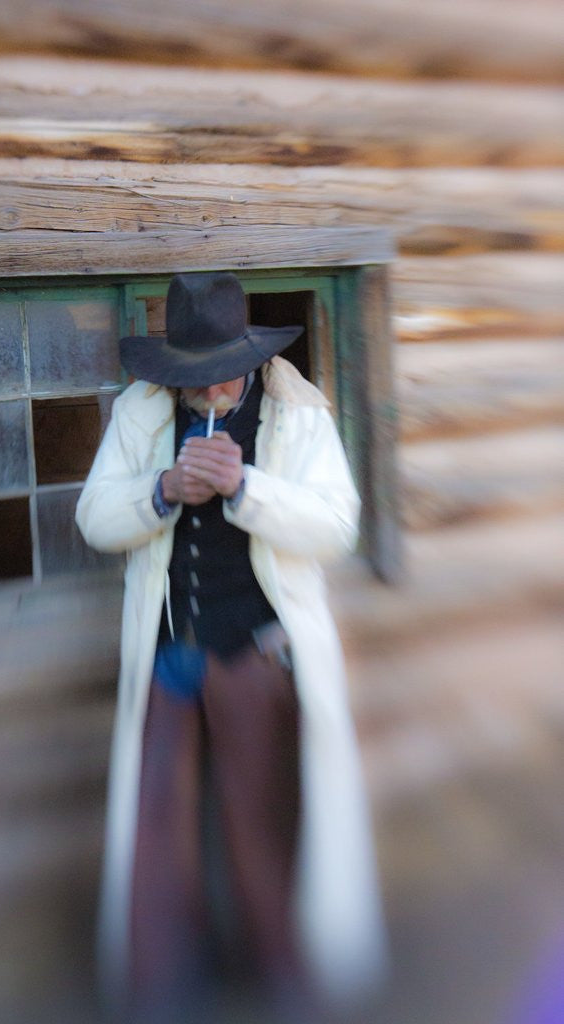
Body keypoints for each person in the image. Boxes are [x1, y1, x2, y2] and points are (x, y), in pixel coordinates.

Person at [76, 271, 386, 1022]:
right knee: (160, 819)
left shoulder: (294, 412)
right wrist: (161, 492)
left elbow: (335, 527)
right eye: (193, 377)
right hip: (170, 654)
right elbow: (94, 518)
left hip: (254, 650)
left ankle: (282, 973)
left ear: (246, 360)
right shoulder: (142, 410)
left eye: (220, 375)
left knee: (261, 818)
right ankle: (165, 982)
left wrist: (246, 489)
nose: (208, 391)